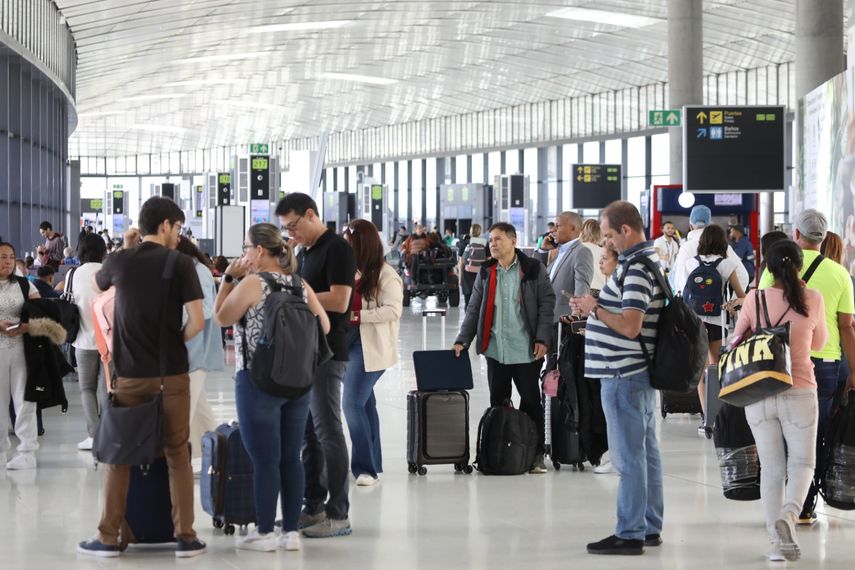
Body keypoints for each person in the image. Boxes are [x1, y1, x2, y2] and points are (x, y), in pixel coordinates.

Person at [78, 196, 207, 558]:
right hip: (172, 378)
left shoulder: (119, 260)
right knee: (178, 455)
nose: (179, 236)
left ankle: (107, 538)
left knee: (120, 457)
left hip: (129, 379)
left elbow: (99, 290)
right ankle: (185, 537)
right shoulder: (180, 264)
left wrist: (126, 248)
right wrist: (171, 341)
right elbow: (196, 322)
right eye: (178, 228)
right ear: (165, 225)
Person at [215, 223, 330, 552]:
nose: (244, 254)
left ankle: (265, 532)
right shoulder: (299, 284)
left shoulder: (254, 282)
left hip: (257, 380)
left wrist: (228, 278)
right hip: (299, 382)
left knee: (264, 460)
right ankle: (290, 532)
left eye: (246, 247)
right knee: (290, 458)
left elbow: (222, 317)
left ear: (260, 251)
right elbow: (322, 323)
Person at [569, 201, 665, 556]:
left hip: (623, 375)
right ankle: (649, 526)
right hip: (632, 375)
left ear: (626, 230)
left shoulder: (636, 269)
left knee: (628, 458)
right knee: (646, 453)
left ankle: (630, 532)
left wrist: (595, 309)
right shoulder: (642, 263)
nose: (606, 242)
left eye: (609, 235)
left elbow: (630, 325)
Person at [732, 240, 829, 562]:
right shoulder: (812, 299)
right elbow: (819, 342)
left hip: (759, 391)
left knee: (772, 469)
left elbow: (735, 341)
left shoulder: (754, 299)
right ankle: (789, 516)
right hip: (800, 388)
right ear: (799, 266)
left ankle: (775, 546)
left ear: (767, 268)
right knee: (802, 463)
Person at [756, 210, 855, 525]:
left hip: (777, 361)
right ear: (823, 239)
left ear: (795, 235)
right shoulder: (840, 274)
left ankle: (783, 505)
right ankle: (803, 506)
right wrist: (854, 369)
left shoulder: (772, 272)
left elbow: (759, 315)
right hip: (824, 365)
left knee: (779, 438)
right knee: (815, 436)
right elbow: (848, 327)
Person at [276, 193, 356, 539]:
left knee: (328, 431)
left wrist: (293, 293)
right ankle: (313, 506)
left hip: (328, 352)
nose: (292, 233)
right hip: (306, 352)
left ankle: (339, 514)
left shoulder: (337, 248)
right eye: (286, 230)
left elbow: (340, 299)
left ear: (311, 215)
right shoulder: (307, 252)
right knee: (309, 435)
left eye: (293, 226)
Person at [453, 222, 555, 474]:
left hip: (526, 350)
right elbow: (474, 308)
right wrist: (462, 339)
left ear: (513, 241)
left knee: (531, 401)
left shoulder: (533, 269)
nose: (493, 243)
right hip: (496, 350)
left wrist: (543, 339)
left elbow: (546, 304)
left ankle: (536, 454)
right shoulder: (487, 271)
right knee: (498, 401)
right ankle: (501, 452)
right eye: (491, 240)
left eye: (498, 239)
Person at [342, 219, 402, 486]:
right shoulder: (351, 271)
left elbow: (393, 310)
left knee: (351, 404)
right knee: (365, 404)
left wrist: (357, 316)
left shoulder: (386, 274)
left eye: (348, 242)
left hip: (370, 348)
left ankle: (364, 468)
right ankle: (373, 463)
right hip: (348, 344)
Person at [674, 224, 746, 431]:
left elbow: (683, 292)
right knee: (716, 367)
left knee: (701, 369)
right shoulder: (726, 265)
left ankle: (707, 420)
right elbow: (741, 295)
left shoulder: (689, 263)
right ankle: (719, 414)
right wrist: (730, 305)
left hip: (695, 322)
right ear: (722, 242)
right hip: (717, 321)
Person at [175, 236, 223, 465]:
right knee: (199, 410)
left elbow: (204, 310)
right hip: (187, 351)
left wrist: (176, 320)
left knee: (182, 411)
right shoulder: (187, 270)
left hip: (195, 351)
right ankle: (219, 456)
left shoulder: (198, 271)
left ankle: (179, 462)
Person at [65, 233, 108, 451]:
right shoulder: (108, 273)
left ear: (80, 251)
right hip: (108, 342)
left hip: (82, 341)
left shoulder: (73, 274)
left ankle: (93, 435)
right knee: (106, 389)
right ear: (103, 251)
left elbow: (67, 301)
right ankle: (108, 435)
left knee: (86, 389)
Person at [0, 241, 41, 470]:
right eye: (2, 257)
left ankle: (27, 450)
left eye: (10, 256)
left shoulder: (25, 285)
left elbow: (41, 311)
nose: (6, 261)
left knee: (24, 400)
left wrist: (27, 326)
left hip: (21, 351)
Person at [671, 205, 749, 293]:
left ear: (691, 226)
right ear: (709, 225)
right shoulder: (724, 246)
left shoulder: (686, 247)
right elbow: (743, 276)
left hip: (691, 304)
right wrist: (730, 301)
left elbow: (679, 282)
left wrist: (686, 303)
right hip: (719, 304)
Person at [548, 211, 594, 324]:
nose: (553, 230)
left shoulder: (582, 252)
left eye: (557, 226)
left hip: (563, 322)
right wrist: (543, 251)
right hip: (548, 320)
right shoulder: (559, 252)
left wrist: (576, 317)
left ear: (572, 228)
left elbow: (582, 288)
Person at [458, 224, 488, 307]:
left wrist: (460, 278)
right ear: (480, 231)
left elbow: (460, 262)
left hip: (466, 272)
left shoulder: (465, 242)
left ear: (470, 231)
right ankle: (479, 318)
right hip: (481, 273)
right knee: (480, 297)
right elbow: (489, 261)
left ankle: (468, 317)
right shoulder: (485, 242)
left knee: (468, 298)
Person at [580, 219, 606, 292]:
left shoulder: (575, 249)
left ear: (582, 232)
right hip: (600, 291)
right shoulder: (604, 252)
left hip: (581, 291)